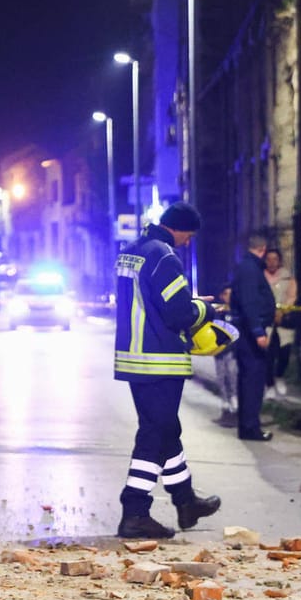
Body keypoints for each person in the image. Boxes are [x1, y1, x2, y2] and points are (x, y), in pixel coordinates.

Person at [113, 202, 222, 539]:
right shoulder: (164, 256)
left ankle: (185, 500)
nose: (187, 243)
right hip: (160, 358)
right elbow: (179, 314)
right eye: (188, 236)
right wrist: (204, 307)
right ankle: (134, 510)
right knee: (154, 435)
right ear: (180, 229)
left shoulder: (131, 251)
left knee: (166, 429)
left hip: (133, 358)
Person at [231, 235, 277, 441]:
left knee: (249, 381)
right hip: (250, 335)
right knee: (253, 382)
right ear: (263, 249)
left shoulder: (247, 267)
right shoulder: (250, 269)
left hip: (247, 331)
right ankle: (250, 427)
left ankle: (248, 426)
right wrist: (258, 332)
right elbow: (250, 302)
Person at [264, 248, 298, 398]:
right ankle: (269, 384)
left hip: (284, 321)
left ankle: (279, 376)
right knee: (268, 355)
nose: (271, 262)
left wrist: (282, 311)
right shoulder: (260, 276)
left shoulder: (287, 277)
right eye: (269, 259)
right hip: (266, 321)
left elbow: (292, 296)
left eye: (274, 259)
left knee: (284, 352)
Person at [213, 284, 239, 426]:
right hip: (219, 351)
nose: (228, 297)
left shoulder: (237, 312)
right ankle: (225, 408)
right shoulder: (219, 312)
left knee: (233, 378)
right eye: (226, 294)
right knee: (221, 379)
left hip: (233, 351)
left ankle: (235, 409)